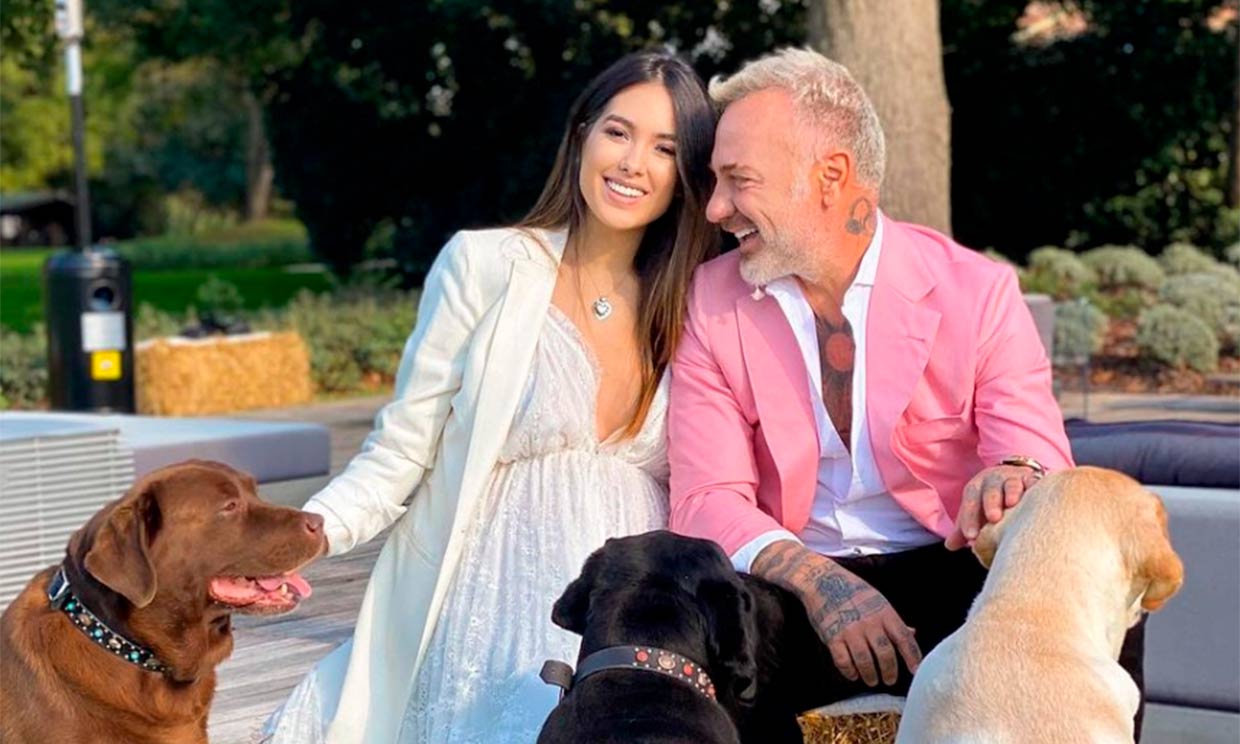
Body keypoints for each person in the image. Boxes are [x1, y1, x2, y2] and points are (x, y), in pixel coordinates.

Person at [667, 47, 1146, 733]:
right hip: (789, 580)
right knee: (687, 612)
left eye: (739, 181)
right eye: (716, 182)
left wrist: (1014, 476)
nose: (716, 208)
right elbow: (707, 495)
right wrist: (817, 581)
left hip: (952, 571)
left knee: (1104, 585)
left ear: (830, 176)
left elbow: (1033, 447)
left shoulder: (976, 290)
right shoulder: (711, 300)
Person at [264, 50, 719, 744]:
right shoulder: (486, 266)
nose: (633, 163)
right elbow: (400, 452)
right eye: (618, 132)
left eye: (664, 148)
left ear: (686, 173)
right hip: (490, 607)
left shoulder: (696, 301)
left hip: (626, 623)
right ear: (582, 135)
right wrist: (298, 536)